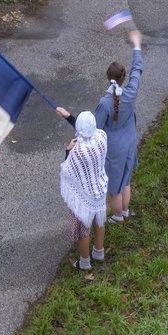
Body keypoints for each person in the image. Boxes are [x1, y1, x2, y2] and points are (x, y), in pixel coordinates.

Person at [59, 110, 109, 272]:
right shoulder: (102, 137)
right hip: (99, 190)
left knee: (83, 229)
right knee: (99, 221)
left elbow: (67, 171)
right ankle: (99, 251)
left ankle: (85, 262)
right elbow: (87, 132)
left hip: (84, 197)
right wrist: (69, 116)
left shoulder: (78, 151)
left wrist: (68, 150)